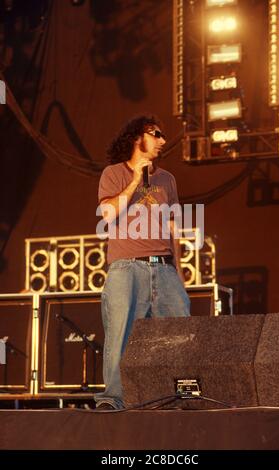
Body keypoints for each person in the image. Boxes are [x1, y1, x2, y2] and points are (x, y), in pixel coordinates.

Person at [94, 114, 190, 410]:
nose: (163, 141)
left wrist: (178, 269)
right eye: (156, 134)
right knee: (120, 332)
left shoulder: (167, 180)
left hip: (164, 268)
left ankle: (177, 396)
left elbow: (172, 226)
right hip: (127, 267)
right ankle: (113, 399)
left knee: (180, 332)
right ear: (138, 137)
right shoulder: (113, 173)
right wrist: (136, 179)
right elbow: (108, 215)